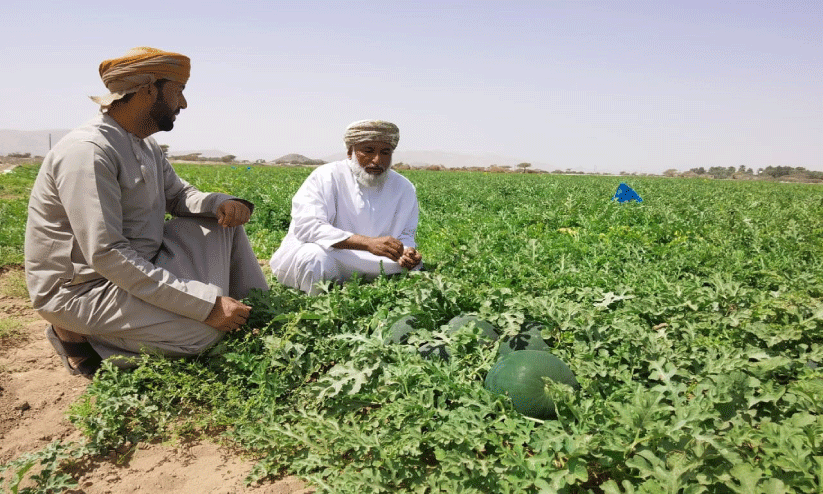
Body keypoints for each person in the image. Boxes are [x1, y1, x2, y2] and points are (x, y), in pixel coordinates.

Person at [25, 47, 268, 378]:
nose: (183, 103)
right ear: (148, 90)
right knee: (203, 334)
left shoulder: (143, 144)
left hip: (142, 265)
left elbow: (179, 195)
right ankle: (77, 336)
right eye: (178, 91)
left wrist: (217, 203)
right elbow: (107, 254)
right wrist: (205, 306)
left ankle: (257, 311)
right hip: (84, 289)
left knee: (222, 224)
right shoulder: (88, 153)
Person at [269, 120, 422, 295]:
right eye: (368, 151)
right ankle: (317, 307)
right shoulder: (326, 176)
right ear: (350, 152)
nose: (377, 160)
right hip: (334, 255)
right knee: (313, 258)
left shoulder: (404, 187)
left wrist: (407, 252)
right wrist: (368, 243)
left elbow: (406, 234)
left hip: (377, 260)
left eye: (385, 152)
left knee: (412, 266)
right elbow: (307, 227)